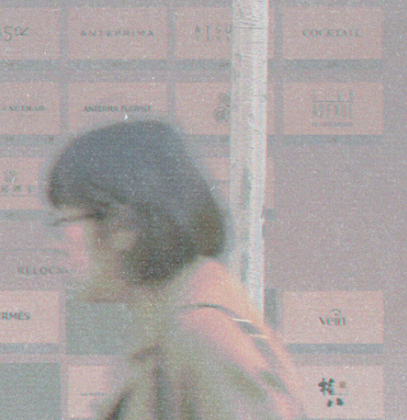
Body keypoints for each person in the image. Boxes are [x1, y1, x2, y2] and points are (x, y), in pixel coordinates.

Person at [45, 119, 306, 420]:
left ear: (122, 225)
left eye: (64, 223)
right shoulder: (179, 331)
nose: (54, 244)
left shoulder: (201, 340)